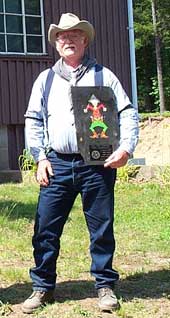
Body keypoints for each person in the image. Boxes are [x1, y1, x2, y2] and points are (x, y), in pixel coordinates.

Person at [22, 13, 139, 314]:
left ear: (85, 40)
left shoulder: (104, 76)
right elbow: (34, 120)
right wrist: (40, 158)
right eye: (62, 35)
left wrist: (126, 148)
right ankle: (42, 286)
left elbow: (127, 112)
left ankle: (104, 286)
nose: (68, 39)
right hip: (57, 165)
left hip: (97, 166)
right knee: (45, 229)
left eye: (75, 34)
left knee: (101, 228)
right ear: (56, 43)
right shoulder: (45, 80)